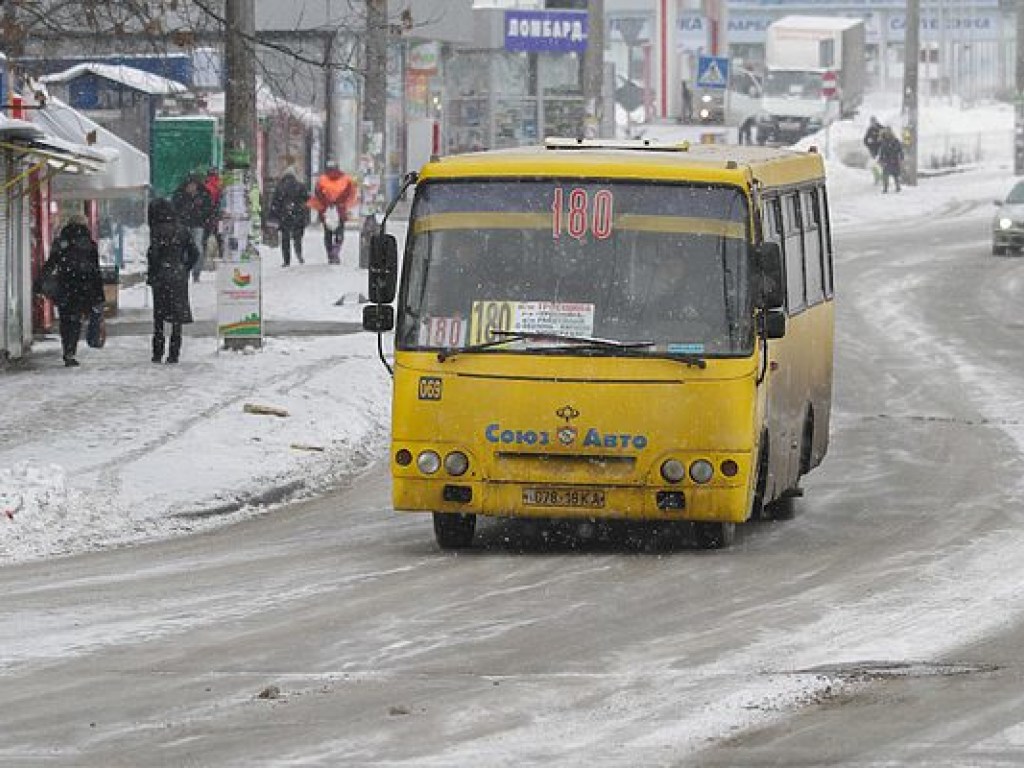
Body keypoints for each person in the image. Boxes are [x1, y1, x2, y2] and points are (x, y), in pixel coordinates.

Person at [33, 218, 104, 367]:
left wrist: (39, 283)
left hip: (65, 287)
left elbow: (51, 263)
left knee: (66, 321)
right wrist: (98, 295)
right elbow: (96, 272)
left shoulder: (61, 244)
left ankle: (68, 350)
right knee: (76, 321)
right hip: (84, 288)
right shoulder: (90, 245)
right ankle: (72, 350)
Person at [146, 198, 199, 364]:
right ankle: (174, 352)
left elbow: (153, 254)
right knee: (177, 315)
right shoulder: (182, 230)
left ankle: (157, 351)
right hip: (178, 275)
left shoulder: (156, 230)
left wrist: (153, 271)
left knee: (159, 316)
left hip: (161, 275)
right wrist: (185, 268)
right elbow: (195, 253)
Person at [310, 159, 357, 264]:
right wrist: (338, 202)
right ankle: (336, 250)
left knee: (328, 234)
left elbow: (318, 193)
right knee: (339, 232)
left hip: (326, 210)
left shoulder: (322, 180)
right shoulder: (346, 179)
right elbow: (348, 192)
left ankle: (330, 253)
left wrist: (328, 202)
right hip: (340, 210)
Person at [171, 172, 215, 282]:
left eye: (193, 185)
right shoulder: (180, 195)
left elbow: (209, 210)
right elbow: (174, 209)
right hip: (183, 225)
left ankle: (196, 272)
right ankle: (185, 271)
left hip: (198, 225)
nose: (191, 187)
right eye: (190, 185)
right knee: (184, 249)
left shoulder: (203, 194)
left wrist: (206, 223)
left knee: (198, 248)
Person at [269, 170, 310, 266]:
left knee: (285, 238)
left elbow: (275, 203)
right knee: (298, 237)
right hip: (298, 214)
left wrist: (273, 217)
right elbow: (307, 200)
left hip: (285, 216)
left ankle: (286, 260)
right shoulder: (301, 186)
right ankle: (299, 252)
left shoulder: (280, 187)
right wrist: (305, 214)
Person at [877, 126, 904, 194]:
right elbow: (881, 151)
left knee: (895, 175)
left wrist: (901, 157)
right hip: (887, 160)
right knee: (885, 175)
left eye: (889, 132)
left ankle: (898, 187)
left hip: (894, 160)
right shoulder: (884, 141)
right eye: (886, 132)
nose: (887, 133)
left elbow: (900, 150)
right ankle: (885, 188)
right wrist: (880, 159)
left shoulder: (895, 140)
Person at [863, 116, 883, 185]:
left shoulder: (881, 128)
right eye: (871, 122)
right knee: (873, 164)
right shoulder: (870, 130)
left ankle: (883, 177)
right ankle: (877, 177)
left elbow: (886, 138)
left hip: (881, 150)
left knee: (881, 164)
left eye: (874, 121)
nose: (872, 123)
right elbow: (865, 140)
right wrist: (869, 145)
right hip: (873, 150)